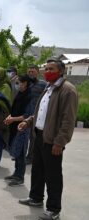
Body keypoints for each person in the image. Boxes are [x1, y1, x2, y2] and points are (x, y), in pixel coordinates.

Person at [18, 59, 78, 220]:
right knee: (37, 170)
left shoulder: (68, 90)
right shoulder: (48, 87)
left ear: (61, 71)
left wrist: (60, 142)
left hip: (52, 140)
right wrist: (28, 122)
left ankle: (53, 209)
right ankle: (36, 198)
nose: (47, 71)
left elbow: (68, 120)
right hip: (39, 136)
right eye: (46, 68)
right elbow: (41, 112)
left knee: (53, 176)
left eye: (51, 69)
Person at [3, 75, 33, 186]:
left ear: (25, 83)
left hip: (23, 127)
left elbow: (27, 115)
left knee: (21, 153)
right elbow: (15, 110)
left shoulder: (29, 96)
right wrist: (10, 117)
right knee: (16, 151)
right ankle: (16, 173)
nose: (16, 84)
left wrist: (13, 119)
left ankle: (20, 177)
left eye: (18, 82)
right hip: (15, 126)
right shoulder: (20, 94)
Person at [25, 64, 47, 164]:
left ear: (37, 72)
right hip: (25, 113)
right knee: (24, 136)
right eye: (29, 72)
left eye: (33, 72)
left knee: (33, 137)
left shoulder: (43, 84)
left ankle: (31, 157)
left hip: (36, 114)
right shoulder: (25, 83)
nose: (31, 73)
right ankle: (22, 155)